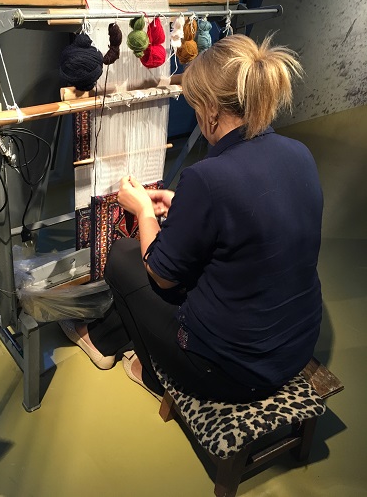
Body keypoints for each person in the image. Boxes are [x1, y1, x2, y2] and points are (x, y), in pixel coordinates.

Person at [59, 33, 323, 403]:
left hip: (232, 371)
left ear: (212, 110)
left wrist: (144, 210)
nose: (197, 114)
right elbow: (249, 222)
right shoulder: (299, 153)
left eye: (196, 106)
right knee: (187, 256)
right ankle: (103, 338)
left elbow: (162, 275)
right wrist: (183, 205)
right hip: (295, 345)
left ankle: (152, 374)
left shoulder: (209, 178)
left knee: (123, 258)